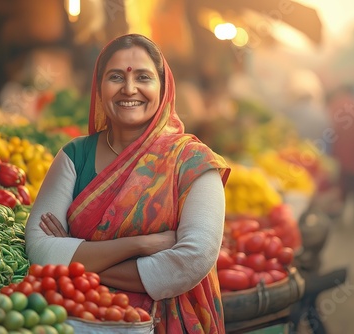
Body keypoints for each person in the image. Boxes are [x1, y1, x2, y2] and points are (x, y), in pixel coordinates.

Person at [25, 34, 231, 333]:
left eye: (144, 77)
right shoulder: (74, 155)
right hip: (79, 318)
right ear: (99, 87)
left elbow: (191, 261)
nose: (129, 88)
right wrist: (142, 244)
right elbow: (40, 252)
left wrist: (73, 255)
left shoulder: (192, 161)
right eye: (116, 77)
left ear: (163, 87)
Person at [326, 86, 354, 223]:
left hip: (341, 157)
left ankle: (340, 216)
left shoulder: (335, 105)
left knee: (342, 190)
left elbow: (331, 131)